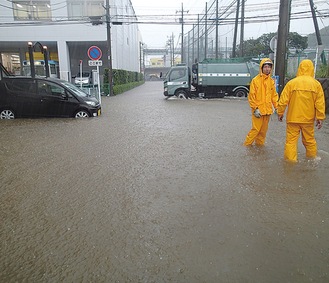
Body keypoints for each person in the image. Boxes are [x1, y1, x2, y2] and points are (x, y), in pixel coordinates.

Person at [277, 59, 326, 162]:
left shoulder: (292, 83)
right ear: (312, 69)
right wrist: (320, 118)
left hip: (292, 119)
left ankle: (290, 163)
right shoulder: (316, 84)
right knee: (309, 141)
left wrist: (280, 113)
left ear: (299, 68)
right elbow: (320, 103)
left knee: (291, 142)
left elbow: (283, 100)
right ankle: (312, 159)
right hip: (308, 120)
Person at [244, 58, 279, 146]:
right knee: (255, 130)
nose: (267, 69)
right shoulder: (255, 80)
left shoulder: (271, 81)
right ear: (261, 68)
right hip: (258, 111)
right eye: (265, 67)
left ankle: (259, 148)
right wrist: (255, 108)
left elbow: (274, 96)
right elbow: (252, 96)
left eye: (269, 67)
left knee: (263, 132)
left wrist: (277, 107)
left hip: (267, 111)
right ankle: (247, 145)